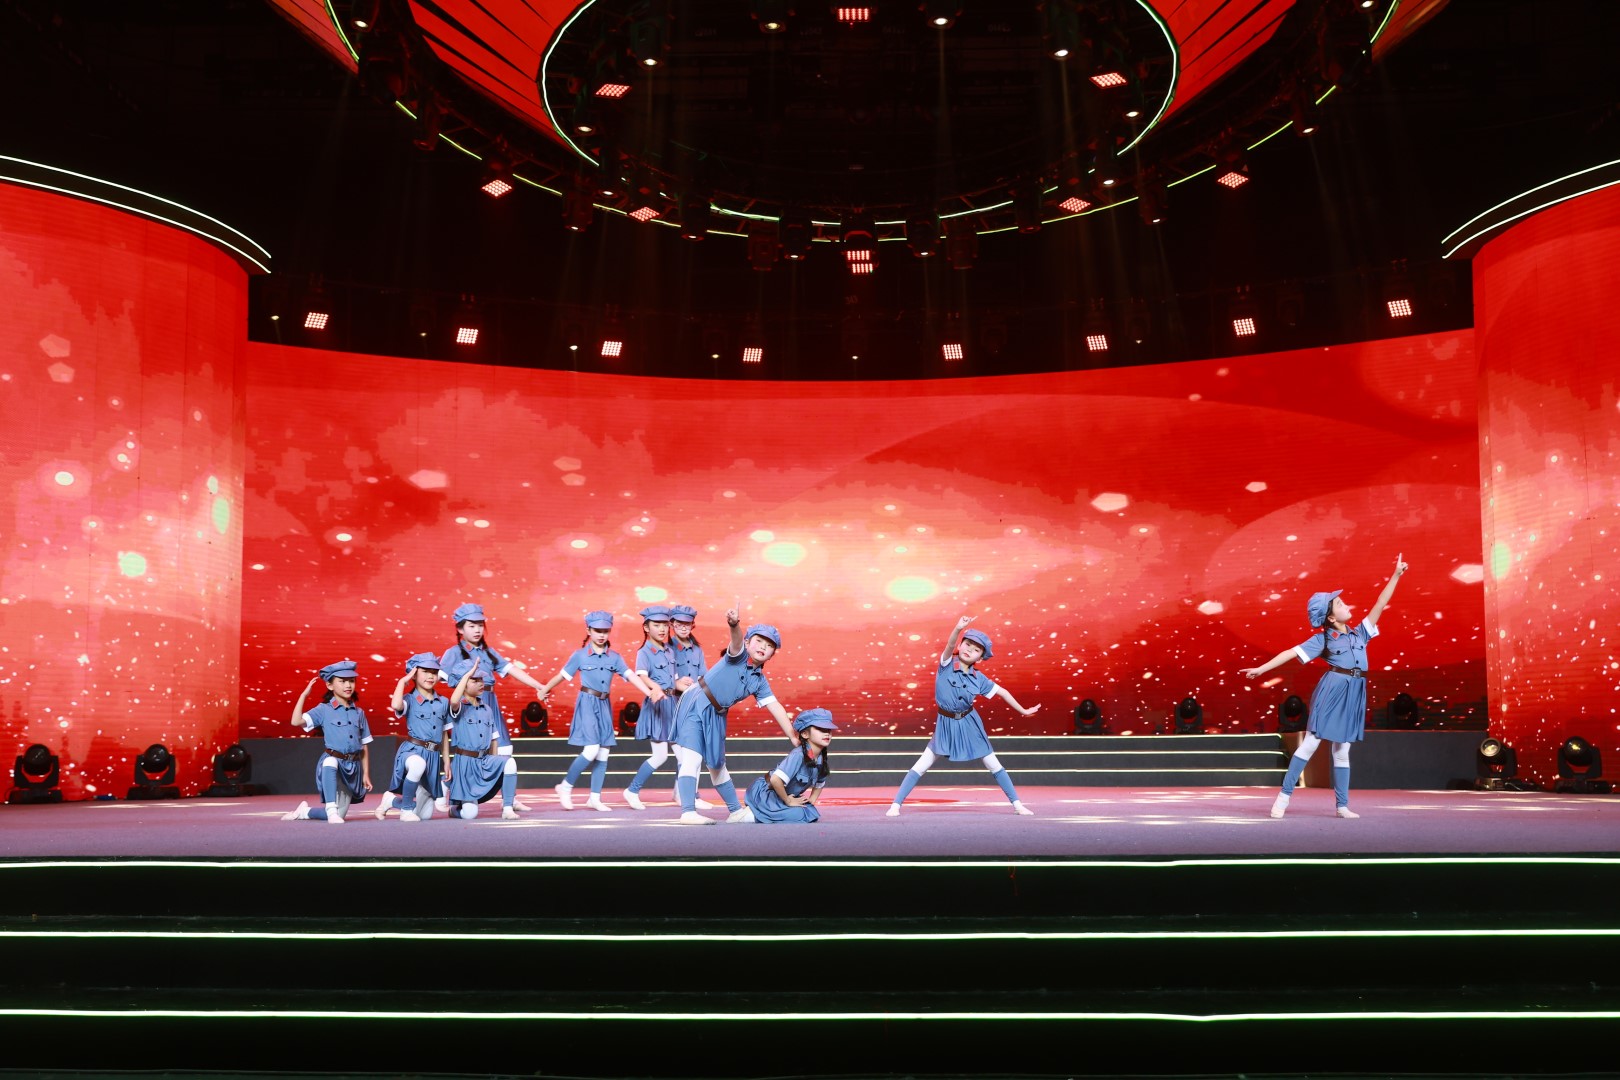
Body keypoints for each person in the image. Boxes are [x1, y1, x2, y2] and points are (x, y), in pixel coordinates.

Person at [1240, 553, 1410, 819]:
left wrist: (1396, 575)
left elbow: (1381, 602)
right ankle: (1283, 798)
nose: (1346, 604)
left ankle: (1342, 806)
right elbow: (1290, 652)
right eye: (1340, 603)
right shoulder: (1323, 640)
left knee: (1342, 750)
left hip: (1355, 692)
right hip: (1333, 690)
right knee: (1311, 744)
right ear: (1330, 618)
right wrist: (1261, 669)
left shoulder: (1360, 633)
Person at [887, 616, 1039, 817]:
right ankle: (896, 804)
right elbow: (949, 645)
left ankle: (1018, 805)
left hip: (970, 723)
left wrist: (1023, 710)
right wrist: (958, 628)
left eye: (976, 650)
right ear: (960, 645)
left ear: (980, 658)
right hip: (945, 724)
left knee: (993, 764)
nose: (969, 650)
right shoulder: (947, 664)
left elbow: (1002, 692)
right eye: (967, 644)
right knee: (922, 764)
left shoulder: (979, 679)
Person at [670, 604, 797, 824]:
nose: (763, 647)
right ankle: (688, 811)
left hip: (717, 715)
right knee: (692, 758)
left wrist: (792, 736)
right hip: (697, 703)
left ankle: (735, 811)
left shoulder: (759, 681)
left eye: (769, 646)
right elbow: (736, 640)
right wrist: (734, 624)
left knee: (717, 765)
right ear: (748, 642)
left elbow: (775, 706)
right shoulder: (737, 655)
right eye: (759, 640)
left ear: (772, 655)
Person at [537, 611, 666, 811]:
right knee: (591, 749)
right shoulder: (580, 655)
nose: (601, 635)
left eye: (605, 631)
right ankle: (565, 786)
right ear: (588, 630)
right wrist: (544, 689)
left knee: (603, 752)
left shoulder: (614, 657)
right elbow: (561, 676)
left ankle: (594, 798)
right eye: (597, 630)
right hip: (587, 703)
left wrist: (649, 692)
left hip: (604, 705)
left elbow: (631, 676)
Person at [438, 602, 546, 811]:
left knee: (505, 750)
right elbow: (439, 678)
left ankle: (509, 799)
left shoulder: (489, 652)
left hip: (490, 705)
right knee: (470, 754)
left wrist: (538, 686)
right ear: (460, 629)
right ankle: (446, 787)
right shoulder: (453, 653)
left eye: (480, 625)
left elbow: (512, 669)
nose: (477, 629)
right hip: (468, 708)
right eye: (471, 625)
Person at [281, 660, 372, 823]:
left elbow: (364, 746)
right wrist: (303, 696)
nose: (348, 685)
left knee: (339, 814)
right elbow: (296, 721)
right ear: (330, 685)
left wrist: (365, 774)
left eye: (351, 681)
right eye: (342, 681)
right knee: (330, 761)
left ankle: (305, 812)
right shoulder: (323, 709)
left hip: (352, 768)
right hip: (332, 763)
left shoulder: (359, 713)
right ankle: (330, 808)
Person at [373, 653, 450, 822]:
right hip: (412, 751)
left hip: (433, 757)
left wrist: (446, 761)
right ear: (414, 674)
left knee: (424, 816)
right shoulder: (409, 699)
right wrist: (402, 682)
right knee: (417, 764)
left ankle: (391, 801)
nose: (431, 676)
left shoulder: (444, 702)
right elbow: (395, 705)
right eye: (425, 671)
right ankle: (406, 810)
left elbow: (444, 734)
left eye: (434, 672)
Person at [443, 660, 520, 819]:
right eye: (474, 680)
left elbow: (494, 739)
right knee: (470, 814)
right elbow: (454, 701)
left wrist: (494, 763)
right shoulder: (459, 707)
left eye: (481, 679)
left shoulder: (487, 709)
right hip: (465, 765)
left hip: (484, 761)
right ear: (463, 683)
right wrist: (467, 675)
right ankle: (454, 808)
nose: (480, 683)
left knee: (509, 762)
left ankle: (508, 808)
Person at [623, 604, 680, 810]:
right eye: (657, 625)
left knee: (685, 756)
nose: (662, 629)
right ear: (646, 627)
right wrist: (655, 688)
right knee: (660, 756)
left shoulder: (670, 651)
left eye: (665, 624)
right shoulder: (644, 652)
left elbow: (674, 680)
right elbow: (642, 676)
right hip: (657, 706)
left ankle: (680, 793)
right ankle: (632, 791)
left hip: (673, 705)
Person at [744, 708, 836, 824]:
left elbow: (820, 782)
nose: (827, 733)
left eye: (829, 730)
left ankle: (767, 812)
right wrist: (788, 801)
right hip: (766, 792)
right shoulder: (798, 755)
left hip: (783, 794)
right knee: (800, 814)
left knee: (810, 812)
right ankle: (751, 815)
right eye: (820, 729)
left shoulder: (821, 758)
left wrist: (811, 800)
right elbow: (775, 780)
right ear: (805, 734)